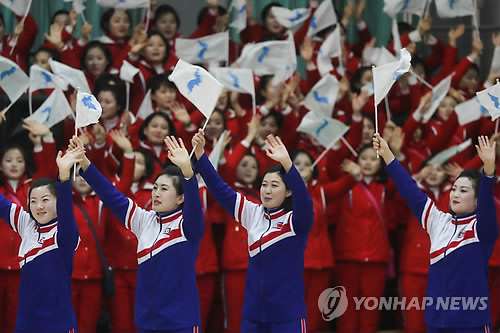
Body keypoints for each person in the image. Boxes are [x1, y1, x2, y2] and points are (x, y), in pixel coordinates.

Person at [71, 135, 204, 332]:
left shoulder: (188, 226)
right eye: (156, 187)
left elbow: (194, 204)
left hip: (180, 322)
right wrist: (84, 163)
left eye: (164, 189)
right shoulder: (144, 220)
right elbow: (111, 195)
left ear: (180, 198)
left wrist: (187, 172)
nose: (156, 193)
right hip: (146, 321)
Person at [373, 134, 498, 333]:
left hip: (471, 320)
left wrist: (489, 171)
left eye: (464, 190)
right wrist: (388, 155)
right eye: (454, 188)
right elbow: (409, 191)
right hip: (437, 321)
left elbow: (488, 206)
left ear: (477, 200)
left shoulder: (482, 228)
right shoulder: (439, 221)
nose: (455, 194)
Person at [192, 130, 313, 333]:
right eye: (264, 184)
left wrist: (289, 166)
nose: (267, 190)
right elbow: (221, 190)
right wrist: (201, 155)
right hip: (252, 316)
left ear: (289, 191)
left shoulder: (296, 221)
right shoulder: (253, 213)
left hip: (287, 316)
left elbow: (305, 201)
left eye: (275, 185)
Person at [0, 148, 84, 332]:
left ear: (58, 201)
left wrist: (63, 176)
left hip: (58, 323)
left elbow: (66, 212)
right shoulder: (27, 225)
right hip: (26, 323)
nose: (38, 206)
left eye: (45, 199)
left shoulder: (65, 233)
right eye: (33, 201)